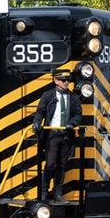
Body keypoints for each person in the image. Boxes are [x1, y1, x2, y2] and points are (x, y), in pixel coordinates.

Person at [32, 69, 82, 201]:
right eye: (63, 80)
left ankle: (58, 193)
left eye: (68, 80)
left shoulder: (74, 97)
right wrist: (37, 123)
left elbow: (78, 114)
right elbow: (40, 111)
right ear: (55, 81)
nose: (66, 83)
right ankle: (43, 192)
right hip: (52, 135)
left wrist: (72, 123)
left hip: (66, 135)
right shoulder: (47, 95)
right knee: (50, 164)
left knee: (62, 165)